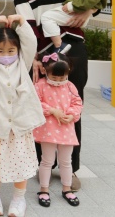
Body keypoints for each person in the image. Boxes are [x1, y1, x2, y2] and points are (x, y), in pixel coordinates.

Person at [12, 0, 95, 190]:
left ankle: (72, 167)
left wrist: (90, 11)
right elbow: (26, 21)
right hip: (45, 49)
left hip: (74, 44)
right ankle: (43, 163)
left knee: (72, 103)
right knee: (41, 105)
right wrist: (34, 55)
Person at [0, 15, 45, 217]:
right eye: (0, 51)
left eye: (10, 51)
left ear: (18, 50)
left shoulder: (23, 63)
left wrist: (21, 22)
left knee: (21, 162)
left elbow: (30, 41)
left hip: (19, 125)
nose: (5, 55)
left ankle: (18, 200)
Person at [33, 52, 82, 208]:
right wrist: (52, 111)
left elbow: (77, 103)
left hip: (66, 129)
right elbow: (34, 103)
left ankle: (67, 189)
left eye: (62, 78)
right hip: (47, 130)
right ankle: (44, 190)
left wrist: (72, 115)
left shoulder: (70, 86)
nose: (58, 81)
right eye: (54, 77)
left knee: (66, 161)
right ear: (45, 71)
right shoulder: (40, 85)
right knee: (46, 161)